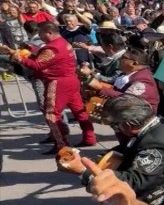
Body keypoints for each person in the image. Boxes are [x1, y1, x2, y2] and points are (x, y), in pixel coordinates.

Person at [0, 21, 95, 152]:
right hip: (71, 80)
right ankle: (89, 137)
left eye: (41, 33)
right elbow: (40, 58)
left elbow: (37, 65)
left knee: (51, 114)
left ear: (49, 33)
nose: (40, 36)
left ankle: (62, 144)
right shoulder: (63, 42)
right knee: (79, 111)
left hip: (57, 82)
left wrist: (17, 57)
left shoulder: (52, 48)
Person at [81, 41, 161, 114]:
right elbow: (115, 89)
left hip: (140, 119)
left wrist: (100, 88)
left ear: (134, 63)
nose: (119, 60)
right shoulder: (127, 73)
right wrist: (90, 79)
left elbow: (127, 99)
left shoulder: (143, 80)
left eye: (123, 58)